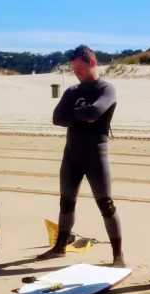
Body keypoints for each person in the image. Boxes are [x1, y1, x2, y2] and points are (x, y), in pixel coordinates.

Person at [36, 45, 125, 267]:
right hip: (72, 155)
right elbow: (57, 118)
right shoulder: (72, 91)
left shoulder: (106, 88)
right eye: (73, 69)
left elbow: (95, 111)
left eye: (80, 68)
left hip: (96, 153)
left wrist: (74, 115)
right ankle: (59, 248)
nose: (76, 72)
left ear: (92, 63)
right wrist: (83, 116)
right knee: (66, 203)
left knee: (106, 205)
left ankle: (118, 257)